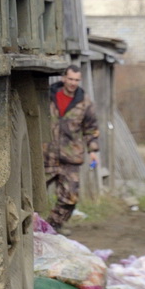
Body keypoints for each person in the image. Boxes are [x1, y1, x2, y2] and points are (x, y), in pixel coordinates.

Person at [44, 65, 100, 234]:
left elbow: (91, 128)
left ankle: (53, 226)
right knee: (33, 193)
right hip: (46, 154)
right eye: (70, 79)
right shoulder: (48, 96)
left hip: (70, 157)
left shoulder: (84, 102)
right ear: (63, 78)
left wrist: (93, 151)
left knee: (70, 196)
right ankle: (31, 228)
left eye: (76, 80)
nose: (73, 83)